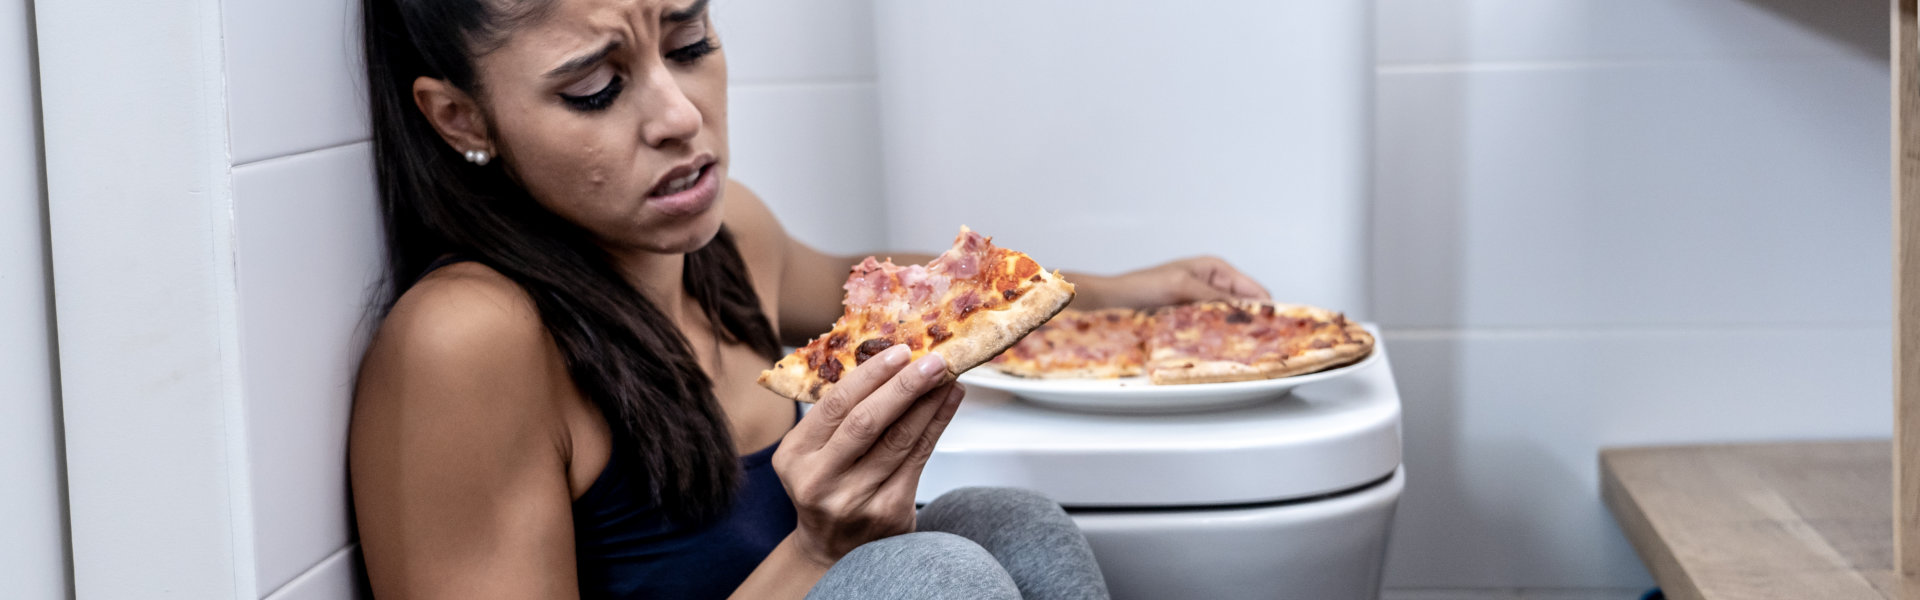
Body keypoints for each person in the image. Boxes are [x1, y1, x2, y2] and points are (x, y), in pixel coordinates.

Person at [348, 0, 1273, 598]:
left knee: (1011, 524)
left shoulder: (725, 243)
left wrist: (1127, 296)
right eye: (595, 87)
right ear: (459, 117)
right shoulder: (467, 341)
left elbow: (904, 292)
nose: (679, 115)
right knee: (928, 578)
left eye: (690, 42)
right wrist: (818, 551)